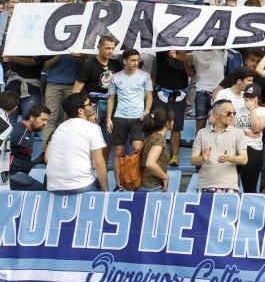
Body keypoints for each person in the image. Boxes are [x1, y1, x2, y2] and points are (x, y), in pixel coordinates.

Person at [105, 48, 153, 191]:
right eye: (133, 60)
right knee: (118, 151)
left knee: (137, 149)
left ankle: (136, 181)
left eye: (138, 60)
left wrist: (146, 111)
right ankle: (119, 184)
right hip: (120, 117)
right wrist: (109, 118)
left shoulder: (145, 75)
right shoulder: (115, 77)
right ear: (124, 61)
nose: (136, 63)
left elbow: (149, 95)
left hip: (138, 117)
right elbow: (111, 98)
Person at [46, 93, 109, 193]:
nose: (92, 105)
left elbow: (48, 158)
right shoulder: (92, 128)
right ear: (80, 111)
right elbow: (98, 163)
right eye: (89, 104)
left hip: (53, 186)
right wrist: (106, 190)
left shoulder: (59, 128)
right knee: (100, 184)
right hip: (80, 185)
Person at [191, 100, 249, 193]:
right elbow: (193, 160)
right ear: (216, 114)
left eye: (234, 113)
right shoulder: (202, 133)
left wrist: (229, 158)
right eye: (228, 113)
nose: (232, 116)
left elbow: (244, 159)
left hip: (229, 186)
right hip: (205, 185)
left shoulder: (238, 133)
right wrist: (202, 158)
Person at [5, 105, 50, 191]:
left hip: (20, 175)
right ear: (32, 117)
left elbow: (22, 159)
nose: (45, 123)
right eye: (43, 119)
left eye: (47, 120)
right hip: (10, 176)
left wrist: (38, 160)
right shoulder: (17, 131)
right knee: (43, 192)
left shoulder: (29, 133)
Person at [140, 108, 174, 192]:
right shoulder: (159, 139)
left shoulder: (150, 137)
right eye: (172, 120)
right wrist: (165, 177)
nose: (173, 122)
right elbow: (150, 163)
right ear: (167, 123)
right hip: (152, 187)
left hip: (143, 185)